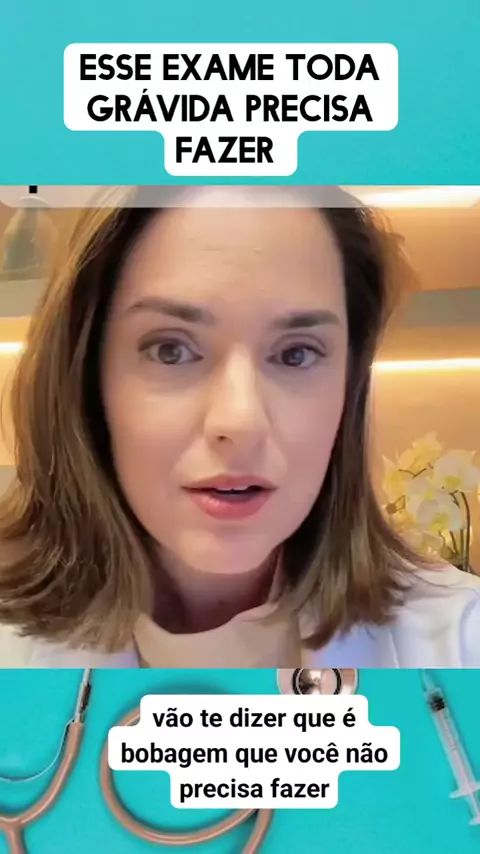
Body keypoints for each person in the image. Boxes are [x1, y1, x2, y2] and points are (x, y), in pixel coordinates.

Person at [0, 185, 478, 669]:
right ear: (86, 379)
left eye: (296, 354)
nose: (241, 421)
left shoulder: (462, 641)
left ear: (348, 387)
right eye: (171, 350)